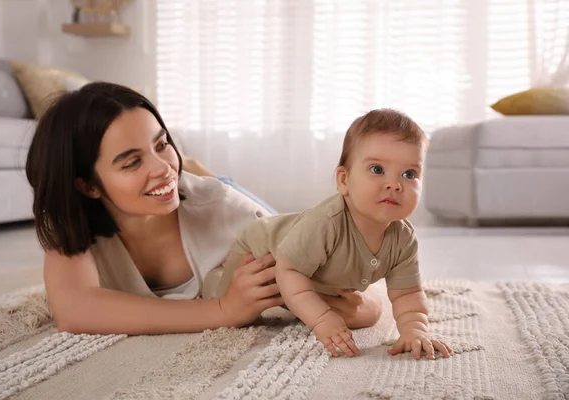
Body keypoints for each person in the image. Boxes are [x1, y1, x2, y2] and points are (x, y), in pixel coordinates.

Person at [25, 81, 380, 335]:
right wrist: (222, 311)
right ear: (86, 185)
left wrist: (309, 299)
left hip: (223, 206)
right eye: (132, 162)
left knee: (227, 197)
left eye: (162, 144)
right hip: (195, 198)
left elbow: (367, 307)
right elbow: (74, 311)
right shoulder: (68, 218)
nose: (162, 166)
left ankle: (207, 175)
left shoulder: (228, 214)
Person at [213, 109, 453, 360]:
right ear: (344, 180)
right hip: (262, 251)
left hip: (313, 273)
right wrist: (322, 319)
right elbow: (289, 271)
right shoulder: (327, 223)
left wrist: (414, 329)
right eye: (377, 169)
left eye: (409, 174)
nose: (395, 184)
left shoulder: (403, 239)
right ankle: (215, 270)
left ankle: (294, 297)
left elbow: (408, 293)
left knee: (356, 314)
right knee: (230, 307)